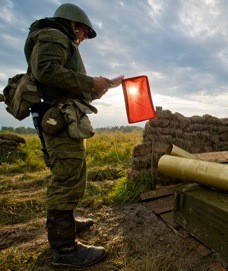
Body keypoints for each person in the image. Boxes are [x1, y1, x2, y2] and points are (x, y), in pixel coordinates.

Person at [24, 3, 123, 268]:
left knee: (74, 172)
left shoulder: (62, 39)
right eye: (83, 33)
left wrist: (100, 87)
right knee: (67, 176)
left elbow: (67, 82)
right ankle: (65, 249)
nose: (83, 39)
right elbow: (45, 70)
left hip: (67, 116)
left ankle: (67, 222)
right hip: (57, 117)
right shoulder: (54, 34)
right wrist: (90, 82)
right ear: (73, 23)